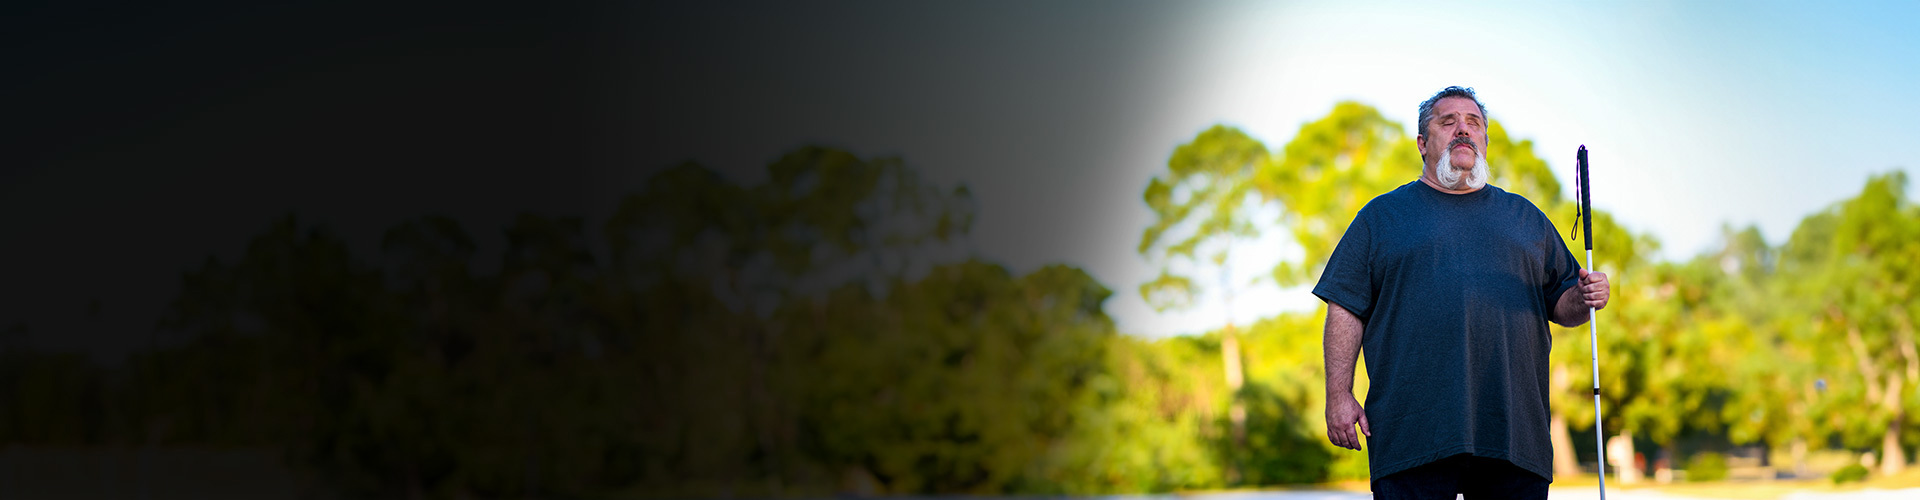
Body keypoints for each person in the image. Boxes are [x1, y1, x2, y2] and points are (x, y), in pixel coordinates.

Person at [1314, 86, 1611, 499]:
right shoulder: (1380, 218)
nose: (1463, 130)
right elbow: (1345, 307)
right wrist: (1338, 395)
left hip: (1514, 435)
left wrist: (1585, 296)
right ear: (1422, 143)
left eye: (1474, 123)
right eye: (1448, 121)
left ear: (1485, 141)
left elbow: (1564, 303)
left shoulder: (1525, 218)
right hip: (1412, 435)